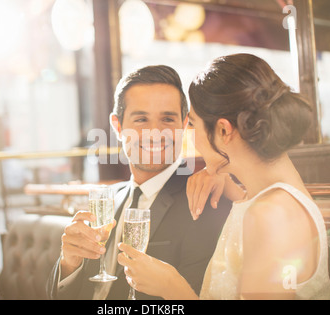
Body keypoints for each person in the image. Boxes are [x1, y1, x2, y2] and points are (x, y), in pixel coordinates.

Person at [118, 54, 330, 300]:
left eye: (194, 125)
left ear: (222, 130)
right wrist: (226, 178)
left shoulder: (272, 216)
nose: (192, 138)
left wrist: (172, 288)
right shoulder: (267, 199)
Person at [47, 65, 240, 299]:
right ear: (118, 126)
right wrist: (69, 264)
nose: (154, 132)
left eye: (167, 119)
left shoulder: (207, 203)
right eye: (141, 119)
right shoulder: (109, 198)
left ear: (183, 124)